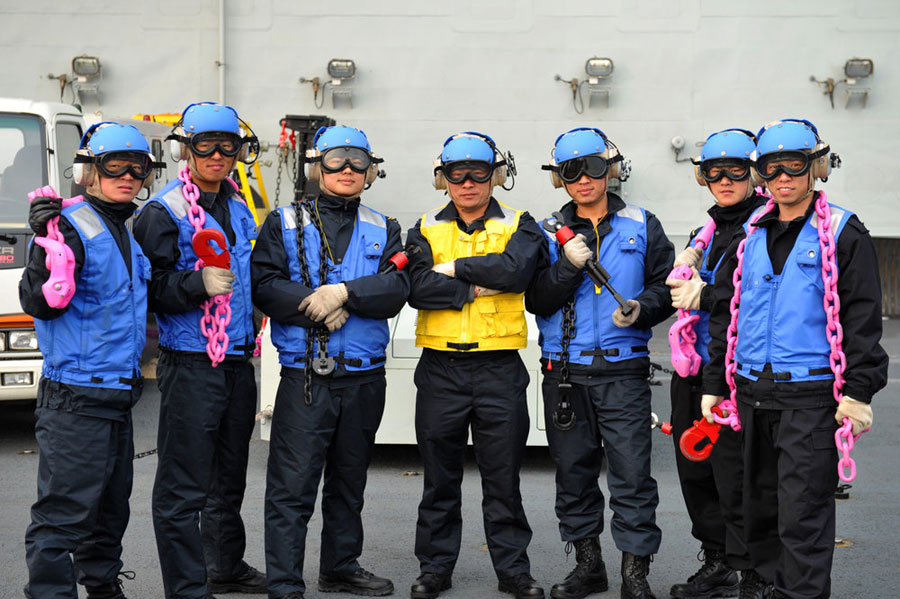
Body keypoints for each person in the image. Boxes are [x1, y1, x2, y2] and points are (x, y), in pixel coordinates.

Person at [700, 119, 888, 599]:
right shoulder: (749, 233)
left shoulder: (844, 233)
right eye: (771, 168)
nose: (782, 177)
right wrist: (714, 383)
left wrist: (858, 392)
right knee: (758, 512)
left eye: (794, 165)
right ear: (760, 174)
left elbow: (862, 320)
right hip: (750, 396)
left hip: (808, 399)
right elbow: (727, 313)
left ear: (815, 167)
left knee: (802, 517)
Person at [252, 125, 408, 599]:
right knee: (291, 487)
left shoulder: (387, 228)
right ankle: (284, 582)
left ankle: (340, 566)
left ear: (371, 170)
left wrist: (344, 294)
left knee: (349, 480)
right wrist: (312, 303)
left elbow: (398, 288)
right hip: (307, 380)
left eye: (358, 161)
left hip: (363, 379)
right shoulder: (283, 221)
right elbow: (264, 284)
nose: (347, 170)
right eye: (337, 160)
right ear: (318, 166)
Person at [525, 127, 674, 599]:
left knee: (632, 475)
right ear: (559, 179)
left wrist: (643, 308)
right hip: (564, 373)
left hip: (623, 370)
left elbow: (665, 286)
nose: (584, 180)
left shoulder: (642, 223)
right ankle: (589, 566)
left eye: (593, 168)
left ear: (609, 169)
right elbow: (537, 300)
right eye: (571, 171)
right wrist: (568, 265)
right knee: (573, 473)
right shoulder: (544, 231)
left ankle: (635, 575)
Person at [21, 122, 163, 599]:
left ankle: (103, 588)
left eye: (137, 167)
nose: (127, 175)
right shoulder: (67, 226)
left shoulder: (126, 229)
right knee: (63, 515)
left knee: (108, 510)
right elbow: (39, 303)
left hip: (118, 395)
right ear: (87, 171)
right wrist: (45, 248)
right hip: (75, 397)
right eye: (114, 165)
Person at [132, 102, 266, 598]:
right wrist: (194, 283)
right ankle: (188, 587)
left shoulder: (237, 205)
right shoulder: (162, 213)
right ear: (184, 149)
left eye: (227, 145)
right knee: (183, 487)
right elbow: (146, 292)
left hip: (236, 362)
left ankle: (224, 565)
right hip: (191, 363)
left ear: (238, 152)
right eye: (204, 144)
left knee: (229, 477)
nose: (217, 155)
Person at [406, 131, 545, 599]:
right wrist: (481, 282)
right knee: (438, 480)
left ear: (496, 176)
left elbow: (518, 273)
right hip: (440, 370)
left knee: (503, 480)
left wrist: (455, 269)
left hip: (499, 370)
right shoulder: (422, 228)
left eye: (478, 174)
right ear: (442, 179)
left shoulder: (522, 224)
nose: (467, 184)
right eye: (456, 174)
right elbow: (418, 288)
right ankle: (434, 569)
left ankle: (513, 572)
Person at [664, 129, 765, 599]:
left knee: (737, 476)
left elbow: (765, 293)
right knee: (696, 471)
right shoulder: (704, 233)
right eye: (713, 172)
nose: (724, 181)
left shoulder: (766, 227)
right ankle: (719, 560)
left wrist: (708, 293)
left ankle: (754, 572)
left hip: (735, 376)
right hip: (694, 369)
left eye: (735, 171)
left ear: (754, 171)